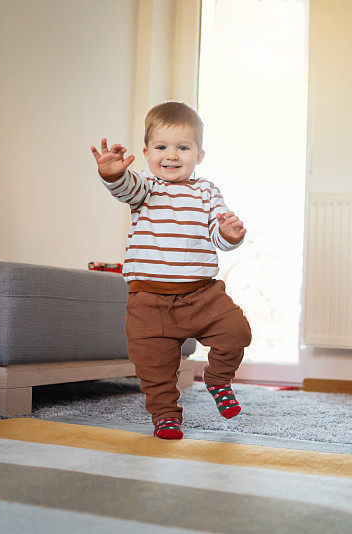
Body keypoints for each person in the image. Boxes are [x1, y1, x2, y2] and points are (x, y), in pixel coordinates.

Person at [91, 101, 252, 440]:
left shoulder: (207, 191)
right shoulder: (146, 188)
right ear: (147, 152)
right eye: (162, 147)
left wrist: (229, 234)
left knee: (236, 332)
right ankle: (165, 415)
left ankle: (218, 378)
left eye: (183, 147)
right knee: (153, 365)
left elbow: (218, 232)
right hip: (149, 300)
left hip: (202, 294)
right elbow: (124, 187)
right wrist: (111, 172)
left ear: (200, 154)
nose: (172, 155)